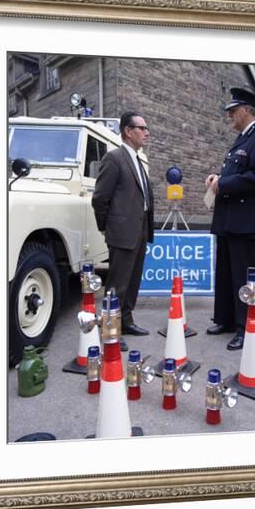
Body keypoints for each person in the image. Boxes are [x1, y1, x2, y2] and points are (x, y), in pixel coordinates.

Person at [205, 87, 255, 350]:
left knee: (243, 277)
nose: (230, 117)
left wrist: (225, 183)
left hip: (244, 222)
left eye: (233, 112)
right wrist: (217, 179)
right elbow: (234, 176)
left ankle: (246, 327)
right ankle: (226, 319)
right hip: (228, 220)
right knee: (224, 272)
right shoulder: (241, 140)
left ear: (247, 110)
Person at [92, 111, 155, 348]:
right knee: (117, 286)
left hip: (138, 231)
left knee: (132, 283)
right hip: (121, 232)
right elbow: (100, 198)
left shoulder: (137, 159)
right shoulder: (114, 158)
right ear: (128, 131)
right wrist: (107, 228)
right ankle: (111, 331)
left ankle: (126, 321)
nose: (147, 132)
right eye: (142, 128)